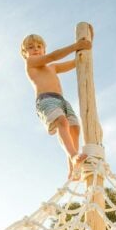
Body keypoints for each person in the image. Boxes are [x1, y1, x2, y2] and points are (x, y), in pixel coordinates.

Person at [21, 32, 92, 180]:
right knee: (62, 122)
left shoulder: (52, 68)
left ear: (44, 49)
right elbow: (52, 56)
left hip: (62, 100)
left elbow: (76, 62)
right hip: (46, 99)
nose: (35, 49)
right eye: (30, 47)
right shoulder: (30, 63)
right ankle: (73, 155)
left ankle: (73, 168)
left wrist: (86, 47)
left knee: (74, 128)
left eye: (39, 46)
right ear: (25, 53)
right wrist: (76, 46)